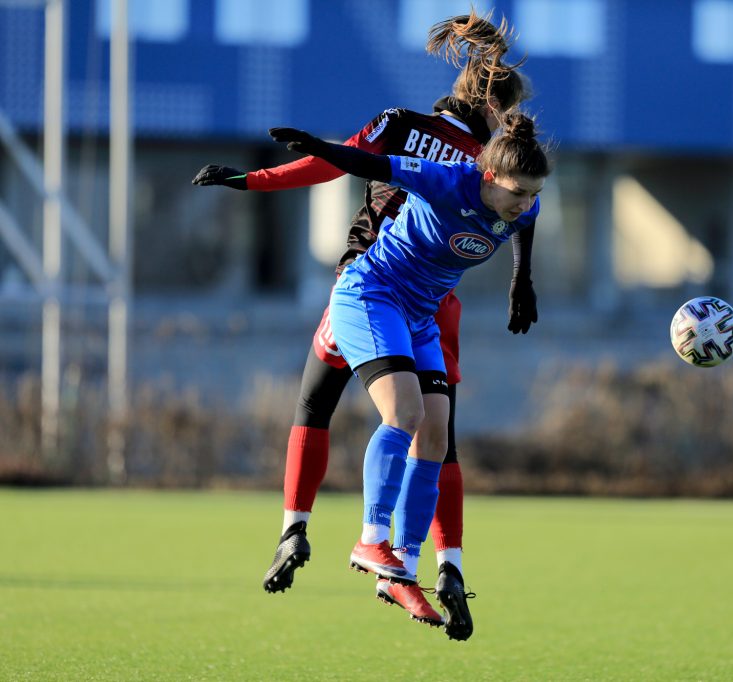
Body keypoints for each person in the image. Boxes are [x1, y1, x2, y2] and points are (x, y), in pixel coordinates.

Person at [191, 11, 535, 640]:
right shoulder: (474, 165)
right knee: (428, 430)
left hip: (420, 295)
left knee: (319, 404)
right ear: (491, 109)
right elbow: (350, 163)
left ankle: (306, 529)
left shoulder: (412, 129)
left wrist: (254, 180)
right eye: (506, 119)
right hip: (377, 284)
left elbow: (337, 164)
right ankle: (425, 559)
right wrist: (520, 280)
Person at [265, 109, 548, 629]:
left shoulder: (522, 207)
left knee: (435, 438)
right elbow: (365, 160)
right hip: (371, 294)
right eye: (517, 193)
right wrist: (318, 144)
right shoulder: (447, 180)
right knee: (404, 413)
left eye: (533, 194)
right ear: (488, 176)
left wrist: (521, 279)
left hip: (420, 315)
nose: (525, 205)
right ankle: (371, 539)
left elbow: (525, 226)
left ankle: (403, 561)